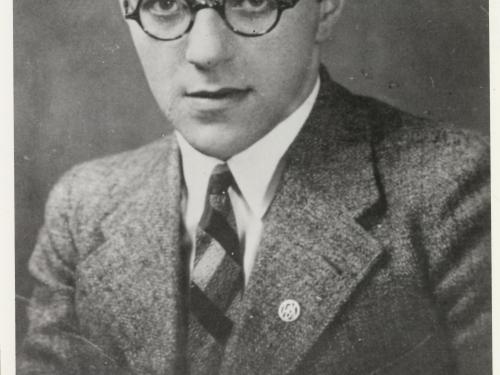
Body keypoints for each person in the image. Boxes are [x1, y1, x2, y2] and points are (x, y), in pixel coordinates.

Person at [18, 0, 490, 374]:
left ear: (326, 7)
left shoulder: (460, 190)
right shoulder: (82, 206)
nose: (205, 51)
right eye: (164, 4)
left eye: (252, 1)